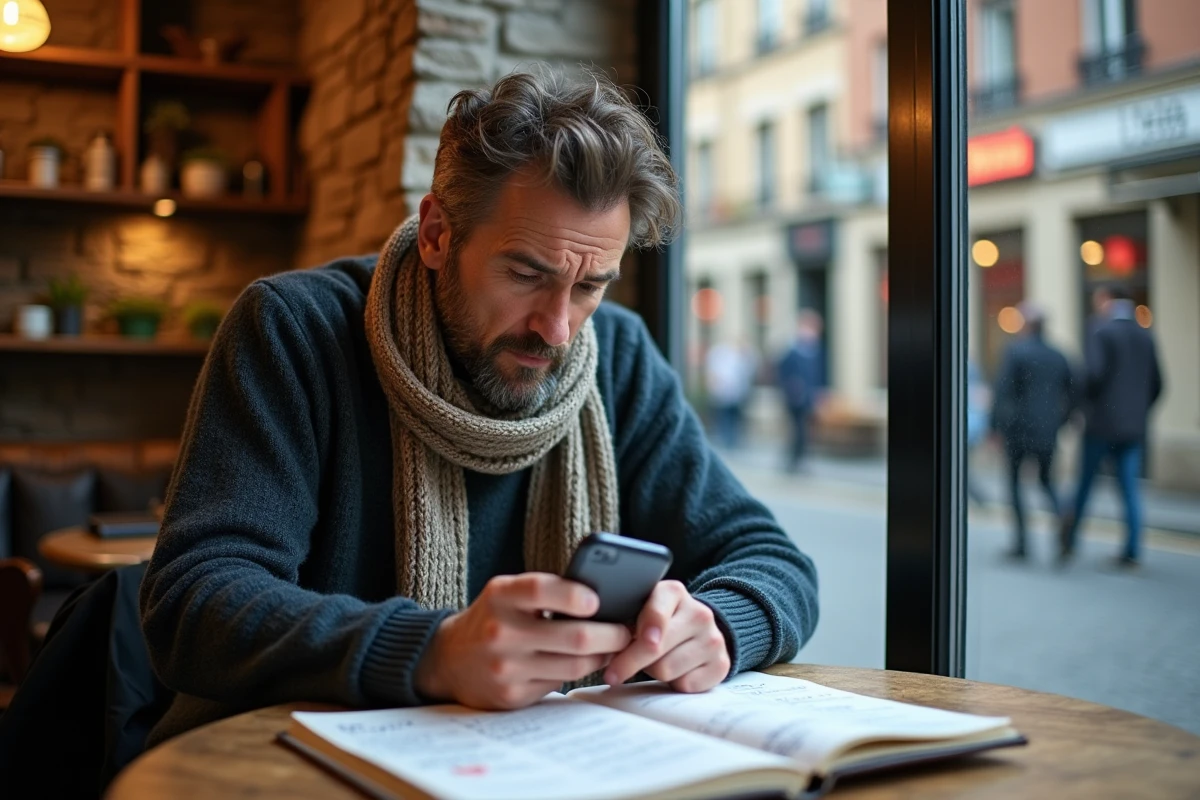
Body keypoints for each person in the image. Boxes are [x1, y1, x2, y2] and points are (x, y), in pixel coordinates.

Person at [138, 69, 819, 745]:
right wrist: (432, 651)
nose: (557, 328)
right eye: (527, 274)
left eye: (590, 287)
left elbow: (773, 560)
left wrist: (721, 623)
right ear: (437, 234)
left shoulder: (618, 353)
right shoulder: (295, 330)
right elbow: (194, 602)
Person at [1060, 285, 1163, 568]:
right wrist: (1137, 412)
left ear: (1106, 301)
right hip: (1133, 428)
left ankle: (1069, 541)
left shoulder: (1100, 331)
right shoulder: (1146, 335)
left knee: (1084, 485)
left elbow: (1092, 374)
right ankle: (1132, 550)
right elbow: (1158, 384)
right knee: (1130, 489)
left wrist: (1082, 406)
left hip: (1101, 425)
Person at [990, 303, 1075, 560]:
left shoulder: (1015, 352)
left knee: (1015, 485)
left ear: (1026, 326)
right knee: (1046, 481)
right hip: (1048, 430)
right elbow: (1074, 393)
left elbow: (1002, 392)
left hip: (1018, 430)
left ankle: (1021, 544)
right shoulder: (1059, 355)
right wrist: (1062, 421)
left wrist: (995, 427)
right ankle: (1062, 512)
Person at [776, 310, 825, 473]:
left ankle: (798, 459)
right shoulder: (792, 351)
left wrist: (820, 392)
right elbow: (782, 373)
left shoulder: (815, 351)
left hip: (809, 398)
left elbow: (819, 375)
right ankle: (793, 460)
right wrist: (791, 388)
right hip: (794, 399)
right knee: (797, 430)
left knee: (806, 431)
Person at [705, 338, 757, 449]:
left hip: (736, 396)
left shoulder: (739, 359)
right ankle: (727, 439)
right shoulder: (722, 359)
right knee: (725, 418)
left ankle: (732, 439)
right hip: (725, 395)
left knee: (734, 418)